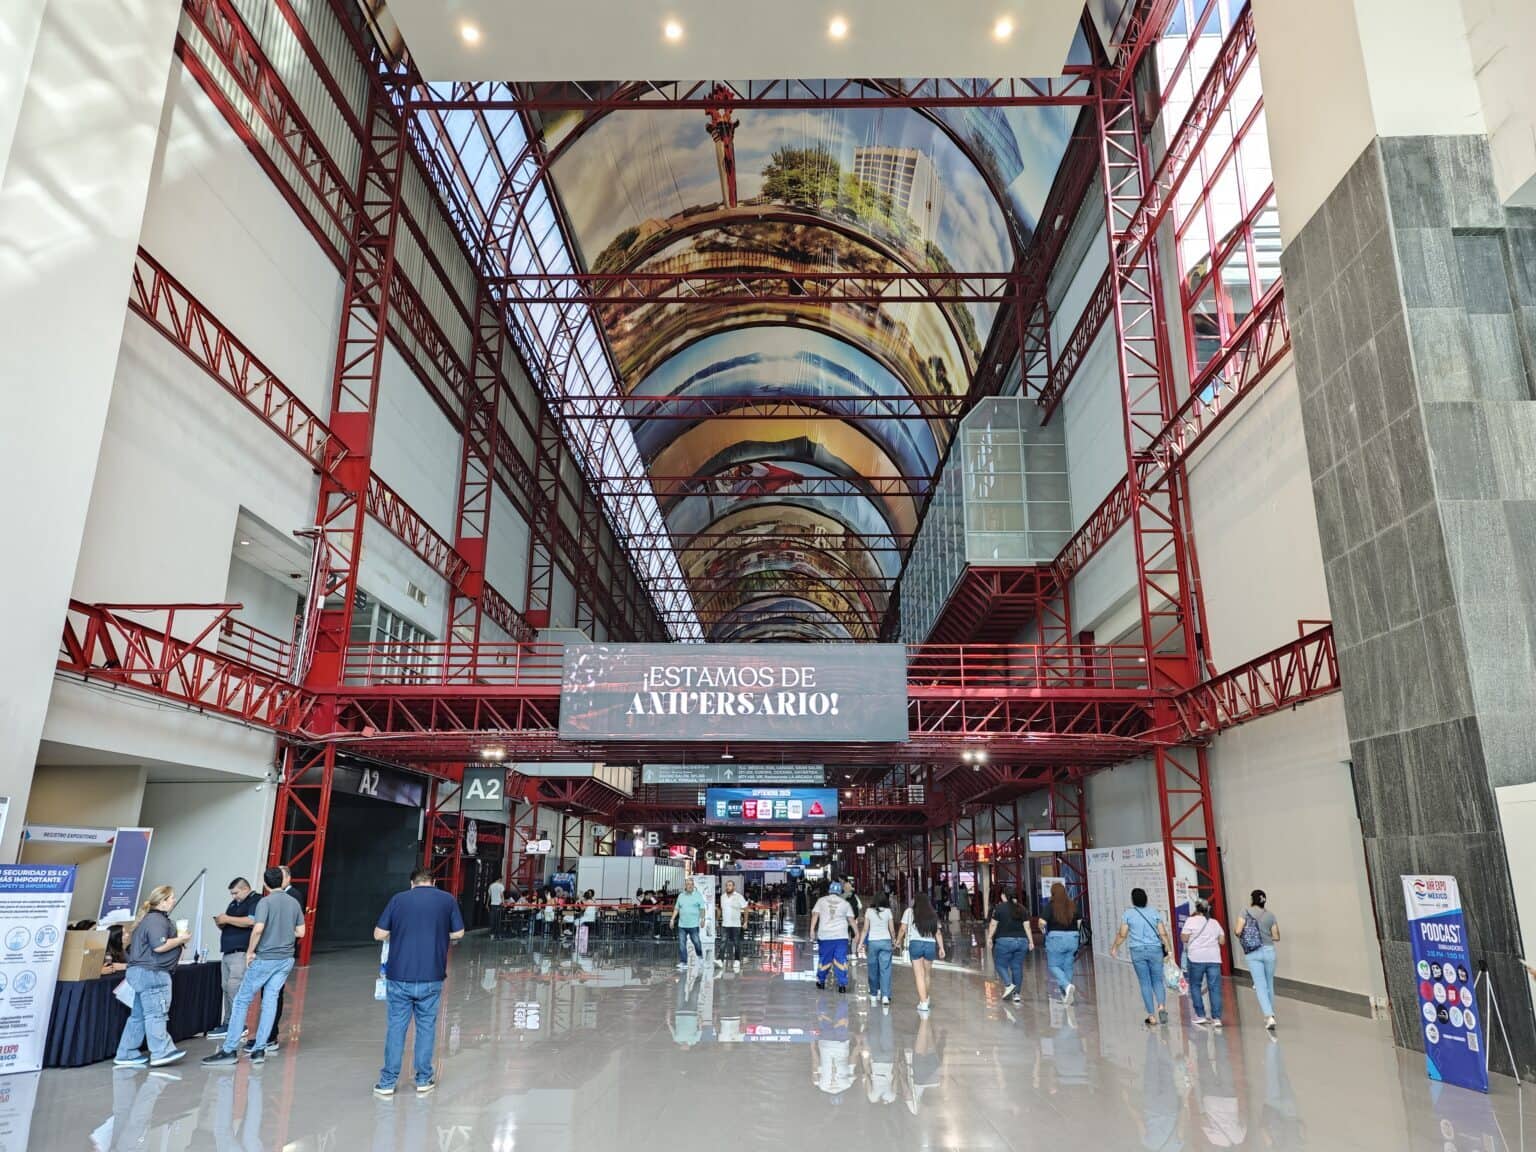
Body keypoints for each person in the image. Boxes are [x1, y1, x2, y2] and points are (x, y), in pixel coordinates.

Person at [369, 866, 465, 1096]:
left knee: (396, 1028)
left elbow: (379, 934)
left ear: (412, 883)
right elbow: (459, 933)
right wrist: (440, 934)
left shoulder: (398, 899)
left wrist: (398, 932)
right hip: (432, 975)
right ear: (433, 882)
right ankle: (423, 1079)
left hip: (399, 976)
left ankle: (388, 1082)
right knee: (426, 1028)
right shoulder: (447, 900)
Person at [201, 867, 304, 1067]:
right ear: (282, 880)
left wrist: (250, 952)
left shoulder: (265, 902)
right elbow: (301, 932)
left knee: (241, 1001)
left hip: (266, 958)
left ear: (265, 884)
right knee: (270, 1001)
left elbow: (257, 929)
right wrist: (284, 932)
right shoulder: (293, 902)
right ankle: (259, 1050)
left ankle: (229, 1050)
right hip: (285, 960)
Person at [112, 885, 192, 1068]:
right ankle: (161, 1051)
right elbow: (159, 946)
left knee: (139, 1015)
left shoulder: (149, 919)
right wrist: (180, 940)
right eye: (171, 897)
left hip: (140, 973)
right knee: (156, 1013)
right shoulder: (157, 920)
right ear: (162, 901)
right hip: (153, 973)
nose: (174, 900)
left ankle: (126, 1053)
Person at [1108, 887, 1176, 1026]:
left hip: (1137, 951)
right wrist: (1169, 949)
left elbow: (1122, 934)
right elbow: (1163, 933)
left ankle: (1151, 1016)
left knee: (1145, 982)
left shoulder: (1128, 914)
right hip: (1155, 950)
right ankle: (1161, 1006)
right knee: (1158, 981)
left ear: (1133, 900)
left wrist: (1115, 947)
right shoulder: (1154, 912)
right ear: (1146, 898)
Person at [207, 877, 260, 1042]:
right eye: (232, 894)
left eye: (236, 893)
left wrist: (228, 919)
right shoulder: (233, 904)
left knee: (234, 988)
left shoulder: (255, 901)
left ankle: (238, 1024)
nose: (234, 896)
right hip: (228, 952)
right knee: (226, 987)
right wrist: (221, 922)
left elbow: (251, 921)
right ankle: (228, 1022)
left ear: (245, 889)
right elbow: (231, 922)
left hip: (241, 952)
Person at [1235, 889, 1281, 1030]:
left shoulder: (1245, 911)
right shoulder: (1270, 915)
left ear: (1252, 899)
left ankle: (1269, 1016)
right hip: (1269, 951)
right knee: (1269, 984)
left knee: (1260, 985)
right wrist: (1265, 934)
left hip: (1253, 952)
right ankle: (1270, 1015)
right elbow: (1276, 937)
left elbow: (1238, 931)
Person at [896, 893, 945, 1012]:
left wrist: (898, 941)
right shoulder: (932, 913)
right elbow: (938, 932)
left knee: (919, 975)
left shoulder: (909, 912)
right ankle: (926, 999)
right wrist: (941, 948)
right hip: (930, 944)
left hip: (916, 944)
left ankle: (923, 1003)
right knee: (927, 974)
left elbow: (903, 928)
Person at [1181, 899, 1226, 1027]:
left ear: (1196, 908)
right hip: (1214, 958)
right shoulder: (1214, 923)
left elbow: (1184, 938)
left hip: (1196, 958)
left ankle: (1200, 1015)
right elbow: (1222, 941)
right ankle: (1217, 1018)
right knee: (1215, 988)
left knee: (1195, 985)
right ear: (1207, 909)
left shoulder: (1191, 921)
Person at [986, 888, 1032, 1003]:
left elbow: (993, 924)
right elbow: (1027, 927)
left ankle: (1008, 984)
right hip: (1022, 941)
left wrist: (990, 937)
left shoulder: (999, 908)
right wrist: (1031, 941)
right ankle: (1017, 995)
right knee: (1017, 967)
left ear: (1003, 896)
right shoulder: (1022, 908)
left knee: (1000, 965)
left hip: (1004, 941)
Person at [1038, 882, 1081, 1005]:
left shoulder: (1051, 906)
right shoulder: (1072, 905)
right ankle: (1066, 994)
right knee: (1068, 966)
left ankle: (1067, 986)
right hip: (1073, 938)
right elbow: (1079, 922)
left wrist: (1043, 931)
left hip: (1056, 939)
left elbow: (1042, 922)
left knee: (1054, 966)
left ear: (1052, 893)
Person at [809, 882, 856, 992]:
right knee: (840, 958)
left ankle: (821, 981)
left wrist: (812, 930)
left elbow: (815, 915)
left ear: (829, 890)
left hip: (825, 936)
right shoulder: (845, 903)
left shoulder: (821, 901)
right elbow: (851, 920)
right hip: (841, 936)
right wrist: (857, 933)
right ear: (840, 892)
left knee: (825, 958)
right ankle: (842, 985)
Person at [856, 891, 896, 1005]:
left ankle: (873, 994)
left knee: (873, 969)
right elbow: (892, 929)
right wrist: (894, 941)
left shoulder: (869, 911)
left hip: (873, 942)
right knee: (885, 969)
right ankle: (885, 996)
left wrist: (860, 944)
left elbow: (865, 929)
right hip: (885, 941)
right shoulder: (888, 911)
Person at [670, 875, 706, 969]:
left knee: (697, 942)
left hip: (694, 925)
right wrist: (672, 919)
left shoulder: (698, 895)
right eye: (688, 884)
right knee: (682, 944)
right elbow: (676, 909)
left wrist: (703, 919)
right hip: (682, 925)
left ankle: (700, 957)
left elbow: (702, 909)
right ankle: (683, 962)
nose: (689, 886)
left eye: (691, 884)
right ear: (685, 886)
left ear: (693, 886)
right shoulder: (681, 896)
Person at [717, 879, 748, 970]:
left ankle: (737, 960)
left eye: (730, 885)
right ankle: (720, 960)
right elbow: (720, 909)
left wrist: (745, 922)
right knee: (723, 942)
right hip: (725, 924)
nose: (728, 887)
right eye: (727, 885)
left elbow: (746, 908)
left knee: (736, 943)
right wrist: (717, 919)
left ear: (734, 887)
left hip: (736, 924)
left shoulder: (739, 897)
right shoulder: (722, 897)